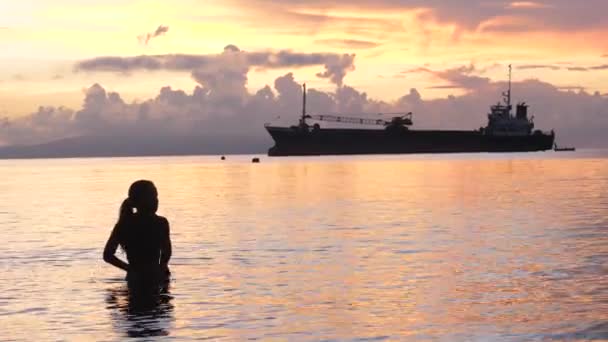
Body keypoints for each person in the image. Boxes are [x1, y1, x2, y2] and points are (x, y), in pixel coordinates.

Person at [104, 180, 172, 290]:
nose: (156, 200)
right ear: (139, 201)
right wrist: (162, 267)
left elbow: (107, 255)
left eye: (156, 196)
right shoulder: (161, 223)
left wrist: (130, 269)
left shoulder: (124, 223)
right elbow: (167, 252)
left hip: (134, 279)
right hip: (156, 278)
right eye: (152, 197)